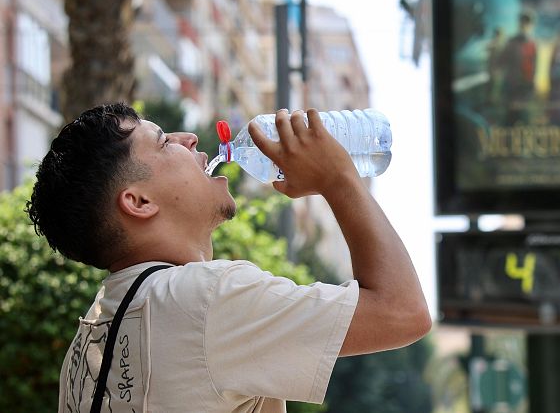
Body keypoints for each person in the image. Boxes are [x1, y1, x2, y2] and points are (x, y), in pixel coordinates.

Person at [26, 103, 431, 413]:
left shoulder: (86, 344)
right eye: (164, 142)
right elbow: (403, 312)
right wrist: (338, 179)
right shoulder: (205, 300)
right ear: (138, 201)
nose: (190, 138)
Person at [499, 12, 538, 126]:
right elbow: (501, 62)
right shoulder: (511, 42)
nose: (525, 27)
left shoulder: (532, 44)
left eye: (527, 24)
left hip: (525, 89)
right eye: (523, 23)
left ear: (531, 26)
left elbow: (534, 68)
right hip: (512, 88)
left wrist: (531, 86)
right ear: (519, 24)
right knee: (510, 120)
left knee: (524, 120)